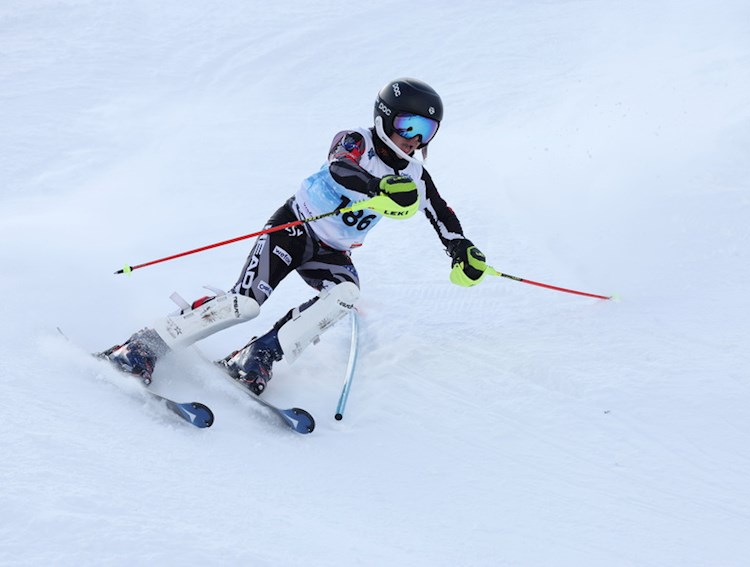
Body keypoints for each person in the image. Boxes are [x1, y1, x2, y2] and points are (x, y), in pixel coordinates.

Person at [102, 77, 488, 395]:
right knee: (245, 304)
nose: (415, 139)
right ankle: (143, 345)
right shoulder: (357, 140)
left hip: (332, 252)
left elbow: (440, 213)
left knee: (346, 294)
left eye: (426, 131)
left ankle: (258, 355)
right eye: (409, 126)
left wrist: (462, 249)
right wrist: (377, 186)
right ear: (384, 118)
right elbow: (340, 168)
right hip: (294, 228)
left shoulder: (415, 176)